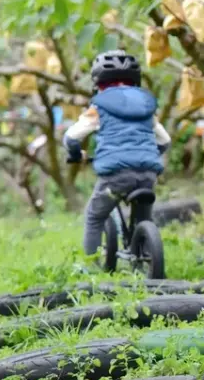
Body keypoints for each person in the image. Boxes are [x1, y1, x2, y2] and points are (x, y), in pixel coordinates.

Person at [63, 50, 171, 258]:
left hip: (116, 176)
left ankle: (91, 266)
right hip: (148, 174)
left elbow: (71, 138)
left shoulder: (99, 107)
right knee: (143, 218)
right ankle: (146, 256)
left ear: (98, 82)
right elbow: (165, 141)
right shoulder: (146, 106)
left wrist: (76, 155)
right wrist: (148, 156)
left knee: (94, 216)